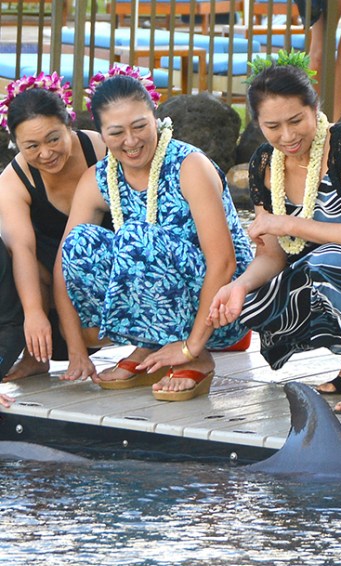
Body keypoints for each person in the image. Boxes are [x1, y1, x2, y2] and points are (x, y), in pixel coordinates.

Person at [208, 53, 341, 415]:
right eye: (272, 126)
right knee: (262, 295)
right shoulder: (265, 165)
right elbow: (273, 255)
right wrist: (238, 285)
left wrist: (288, 224)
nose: (287, 136)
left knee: (330, 260)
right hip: (330, 265)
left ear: (316, 106)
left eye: (296, 120)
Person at [55, 68, 252, 398]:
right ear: (101, 133)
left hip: (222, 307)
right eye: (116, 132)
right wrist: (76, 349)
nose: (131, 142)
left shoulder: (189, 166)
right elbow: (65, 265)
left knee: (136, 236)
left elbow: (224, 262)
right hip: (159, 307)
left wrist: (192, 347)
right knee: (80, 243)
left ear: (156, 117)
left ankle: (198, 359)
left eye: (139, 126)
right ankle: (148, 348)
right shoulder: (99, 178)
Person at [0, 74, 107, 381]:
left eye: (53, 139)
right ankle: (36, 356)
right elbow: (21, 251)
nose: (46, 153)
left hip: (102, 286)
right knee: (8, 247)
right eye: (31, 146)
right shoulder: (12, 182)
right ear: (16, 144)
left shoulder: (100, 150)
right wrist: (33, 315)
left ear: (69, 124)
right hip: (49, 302)